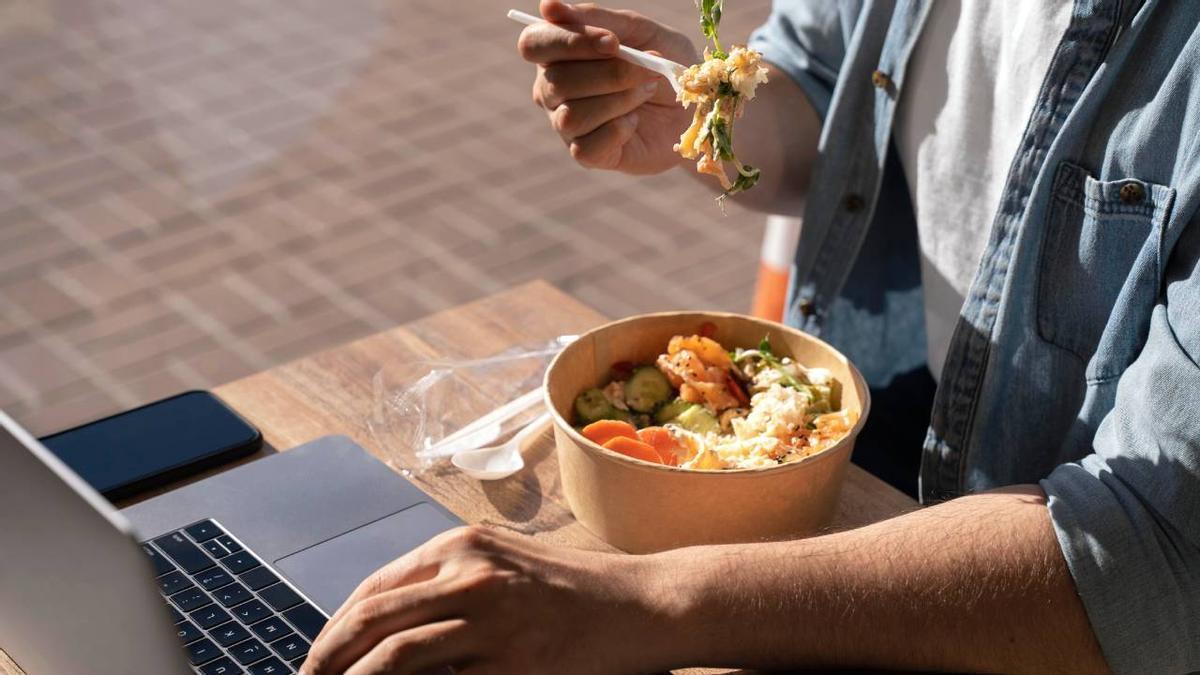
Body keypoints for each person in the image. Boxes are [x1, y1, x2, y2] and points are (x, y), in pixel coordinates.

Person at [303, 0, 1200, 672]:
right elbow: (815, 80)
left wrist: (646, 602)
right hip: (869, 467)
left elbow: (1154, 556)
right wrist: (697, 109)